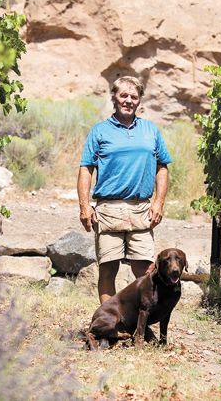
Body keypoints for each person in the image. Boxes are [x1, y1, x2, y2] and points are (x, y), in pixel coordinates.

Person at [78, 76, 173, 304]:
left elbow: (162, 167)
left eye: (134, 96)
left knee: (147, 271)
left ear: (139, 100)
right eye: (123, 95)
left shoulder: (150, 130)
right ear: (114, 97)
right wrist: (84, 207)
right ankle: (110, 324)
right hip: (108, 209)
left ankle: (143, 324)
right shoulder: (100, 131)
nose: (128, 100)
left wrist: (159, 202)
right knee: (108, 270)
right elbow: (86, 169)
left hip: (141, 209)